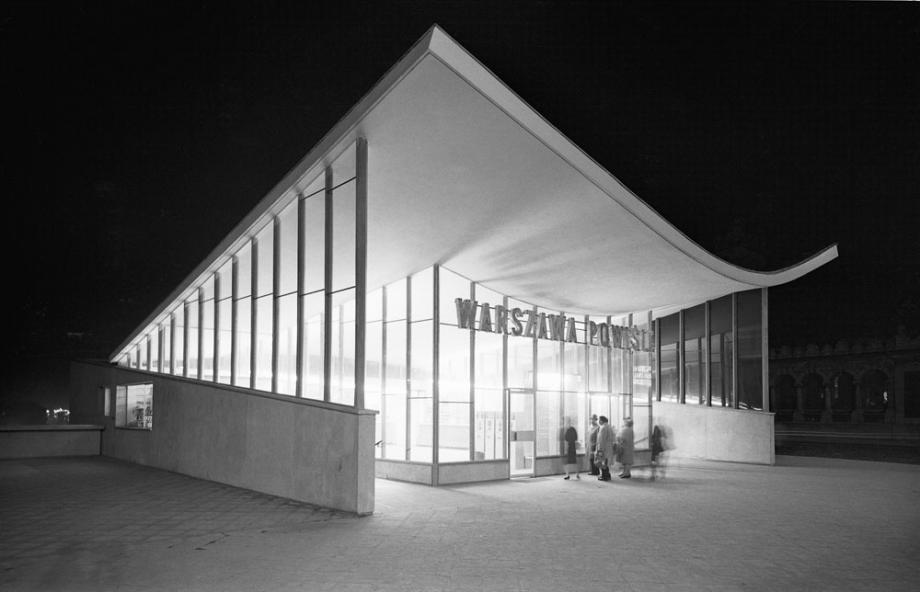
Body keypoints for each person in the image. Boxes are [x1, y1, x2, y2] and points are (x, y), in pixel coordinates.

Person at [594, 416, 616, 481]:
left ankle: (605, 476)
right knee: (606, 461)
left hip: (603, 448)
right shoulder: (610, 427)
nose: (598, 421)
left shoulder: (603, 428)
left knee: (602, 462)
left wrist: (600, 449)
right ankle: (607, 475)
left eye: (599, 420)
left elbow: (601, 440)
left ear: (602, 421)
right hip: (609, 447)